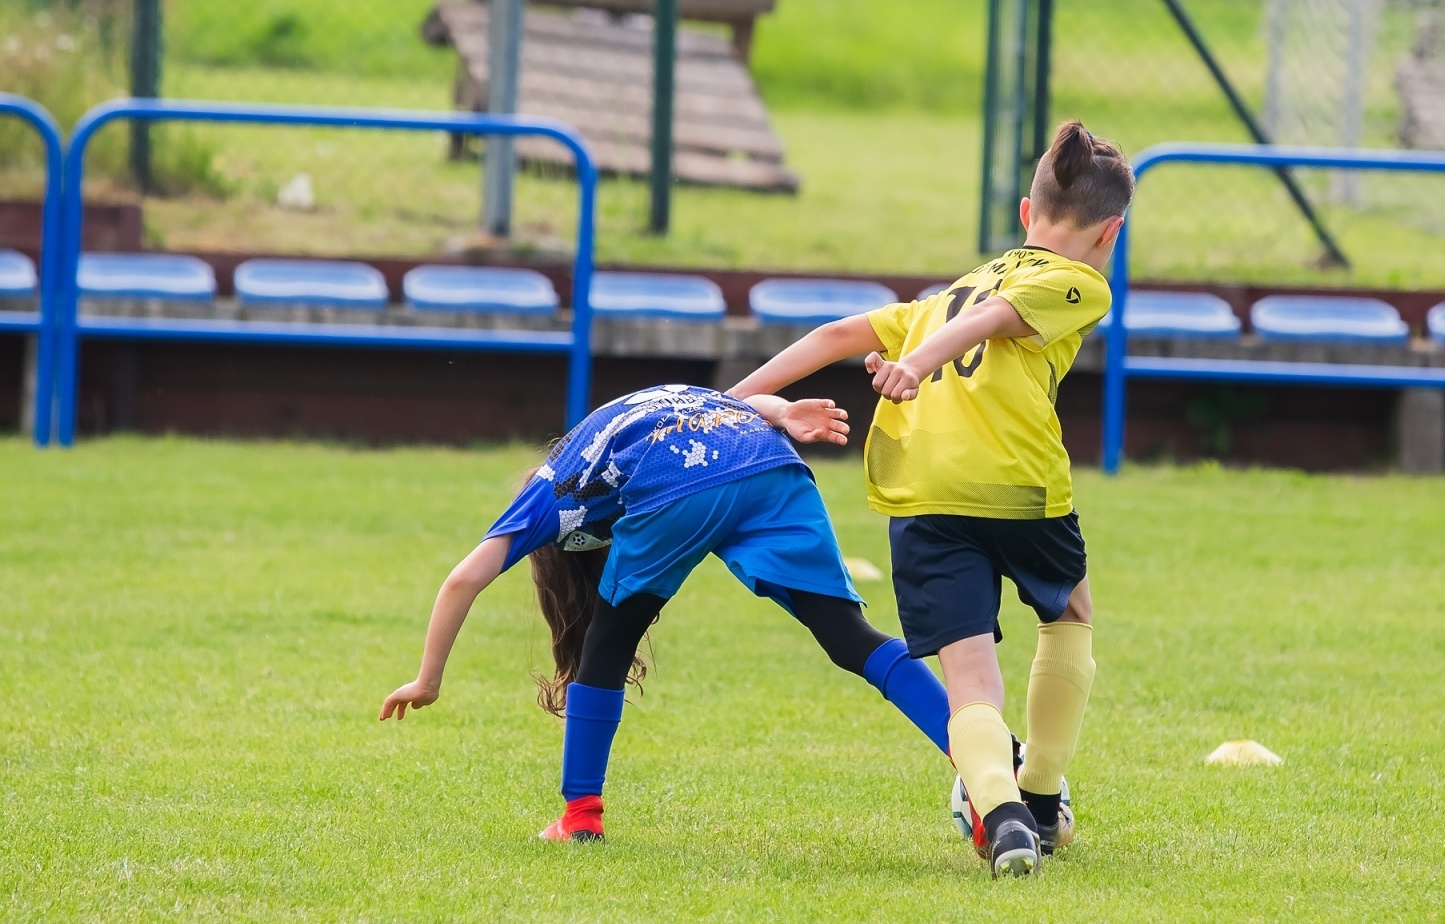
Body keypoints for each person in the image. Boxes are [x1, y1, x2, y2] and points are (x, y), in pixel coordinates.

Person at [729, 121, 1133, 877]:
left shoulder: (949, 291)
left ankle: (1001, 815)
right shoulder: (1083, 281)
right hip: (1016, 487)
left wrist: (729, 400)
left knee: (971, 677)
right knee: (1069, 612)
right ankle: (1039, 797)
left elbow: (838, 332)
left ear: (1024, 212)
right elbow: (1000, 322)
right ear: (1112, 231)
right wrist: (912, 367)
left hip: (921, 495)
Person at [380, 384, 951, 843]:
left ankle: (580, 817)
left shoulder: (550, 491)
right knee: (847, 635)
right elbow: (742, 401)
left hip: (682, 477)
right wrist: (784, 414)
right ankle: (988, 759)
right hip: (768, 455)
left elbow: (464, 579)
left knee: (605, 644)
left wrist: (427, 680)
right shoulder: (614, 437)